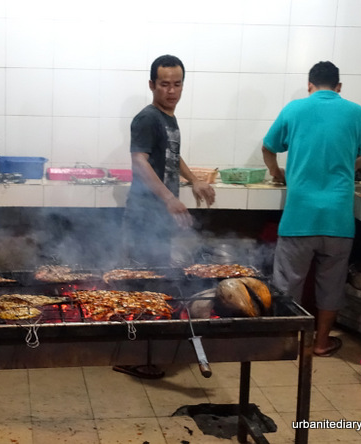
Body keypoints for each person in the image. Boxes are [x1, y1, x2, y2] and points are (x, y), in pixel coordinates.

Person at [262, 61, 361, 357]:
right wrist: (353, 163)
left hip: (299, 217)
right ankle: (320, 343)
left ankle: (286, 343)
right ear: (339, 87)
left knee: (286, 283)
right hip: (338, 219)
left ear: (310, 85)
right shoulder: (356, 112)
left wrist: (277, 172)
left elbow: (268, 147)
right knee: (331, 285)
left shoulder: (294, 109)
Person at [114, 55, 215, 379]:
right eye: (164, 84)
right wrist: (170, 198)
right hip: (146, 215)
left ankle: (146, 351)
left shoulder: (168, 119)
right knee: (145, 284)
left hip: (159, 218)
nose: (171, 91)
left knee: (154, 282)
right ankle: (135, 355)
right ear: (151, 85)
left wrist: (193, 180)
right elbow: (141, 162)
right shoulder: (147, 118)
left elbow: (172, 155)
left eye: (177, 83)